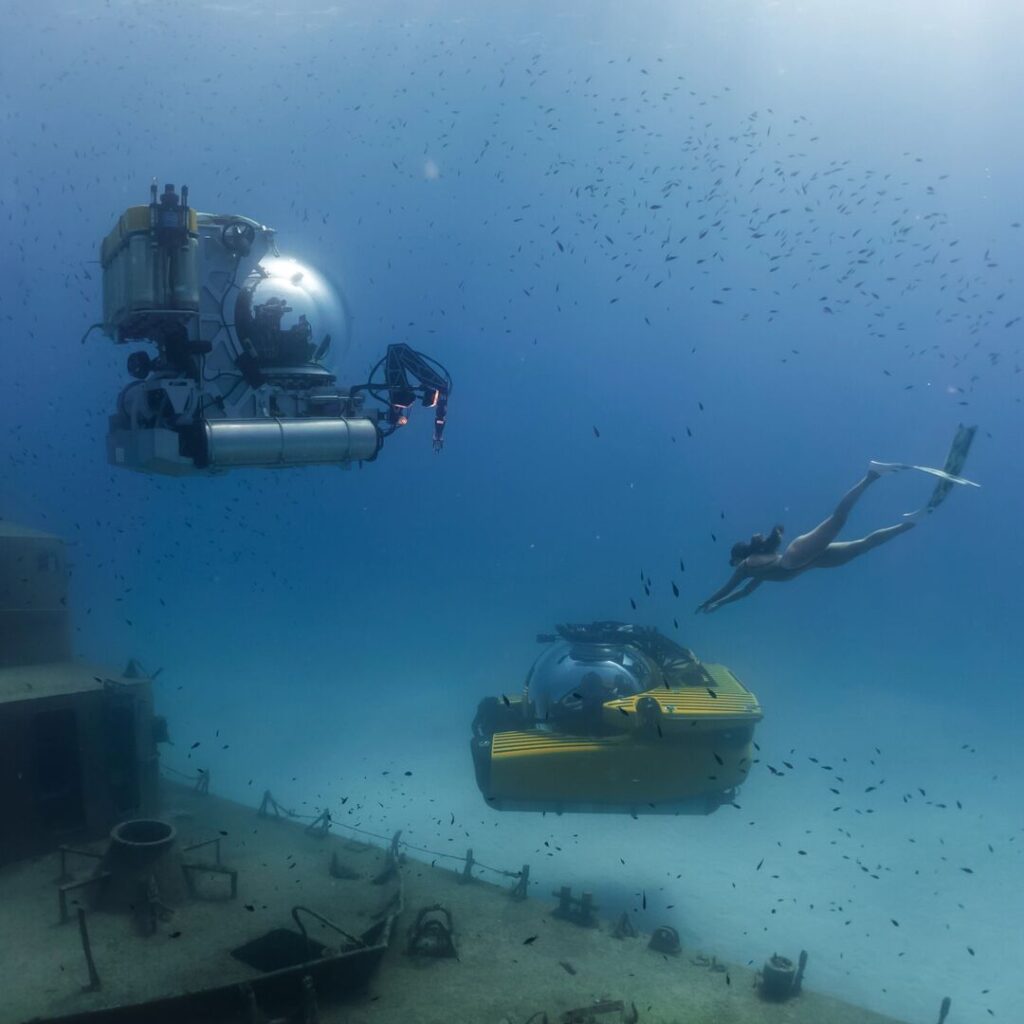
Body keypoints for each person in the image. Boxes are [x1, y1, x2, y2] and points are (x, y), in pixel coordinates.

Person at [696, 437, 978, 614]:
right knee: (862, 547)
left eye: (731, 561)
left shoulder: (745, 566)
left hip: (798, 558)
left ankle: (871, 475)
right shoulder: (755, 570)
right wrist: (719, 605)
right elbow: (744, 593)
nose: (731, 565)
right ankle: (911, 523)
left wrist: (710, 601)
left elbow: (728, 588)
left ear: (738, 556)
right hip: (809, 561)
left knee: (839, 519)